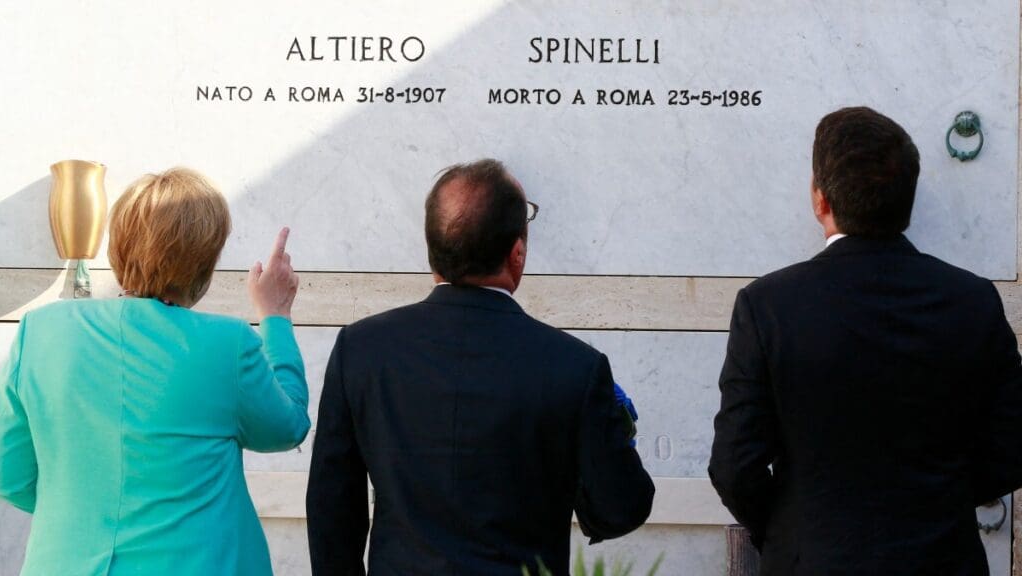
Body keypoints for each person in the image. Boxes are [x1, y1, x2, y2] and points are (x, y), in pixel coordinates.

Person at [708, 107, 1022, 575]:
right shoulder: (973, 301)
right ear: (907, 199)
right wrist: (940, 502)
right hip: (941, 559)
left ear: (820, 199)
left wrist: (793, 527)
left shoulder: (769, 306)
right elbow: (1011, 446)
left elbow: (735, 465)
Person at [307, 159, 654, 575]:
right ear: (517, 253)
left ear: (431, 247)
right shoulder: (574, 367)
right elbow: (621, 507)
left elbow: (331, 509)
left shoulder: (361, 350)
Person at [0, 168, 310, 575]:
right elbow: (287, 427)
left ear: (119, 245)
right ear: (205, 260)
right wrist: (275, 317)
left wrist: (85, 515)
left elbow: (9, 471)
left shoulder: (40, 332)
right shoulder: (227, 343)